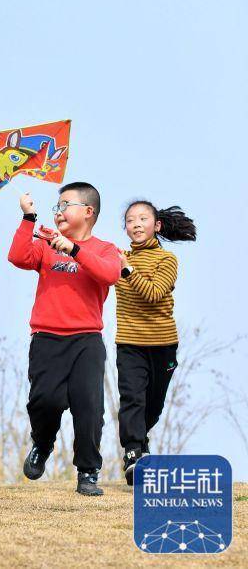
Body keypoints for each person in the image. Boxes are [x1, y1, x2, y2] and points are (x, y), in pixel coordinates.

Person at [8, 183, 119, 496]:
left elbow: (109, 274)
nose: (57, 212)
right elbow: (17, 256)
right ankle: (42, 444)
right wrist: (28, 218)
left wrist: (74, 250)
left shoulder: (105, 249)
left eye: (65, 204)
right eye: (55, 206)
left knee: (89, 407)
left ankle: (88, 471)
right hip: (46, 338)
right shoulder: (46, 245)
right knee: (45, 401)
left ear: (88, 211)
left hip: (86, 340)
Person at [115, 201, 196, 485]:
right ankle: (133, 453)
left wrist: (127, 271)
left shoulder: (167, 260)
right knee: (132, 398)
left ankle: (141, 440)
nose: (136, 224)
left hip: (162, 345)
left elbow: (153, 294)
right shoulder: (119, 257)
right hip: (129, 343)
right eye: (129, 220)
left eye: (142, 218)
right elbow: (88, 261)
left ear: (156, 225)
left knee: (153, 406)